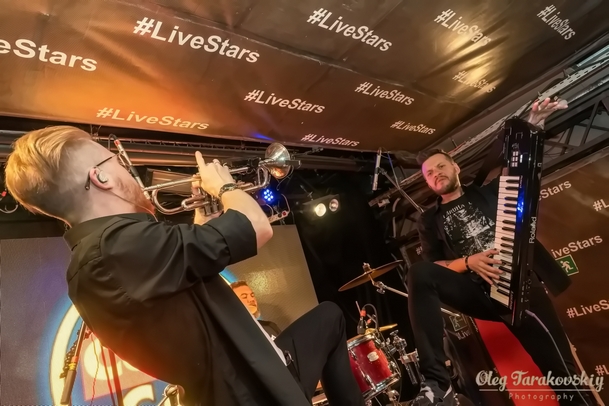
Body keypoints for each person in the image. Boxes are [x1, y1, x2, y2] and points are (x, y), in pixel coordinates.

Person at [4, 126, 365, 406]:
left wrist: (202, 217)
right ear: (101, 178)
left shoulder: (109, 252)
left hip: (257, 367)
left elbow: (182, 285)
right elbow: (257, 226)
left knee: (330, 317)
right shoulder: (116, 246)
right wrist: (225, 187)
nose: (126, 169)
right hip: (250, 388)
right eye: (116, 162)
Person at [408, 98, 596, 406]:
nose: (436, 173)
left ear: (455, 167)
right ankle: (436, 382)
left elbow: (521, 168)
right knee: (419, 273)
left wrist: (534, 123)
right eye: (429, 173)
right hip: (478, 293)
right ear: (428, 183)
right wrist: (468, 262)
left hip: (520, 286)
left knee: (559, 370)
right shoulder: (429, 220)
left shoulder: (492, 192)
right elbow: (436, 266)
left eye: (441, 166)